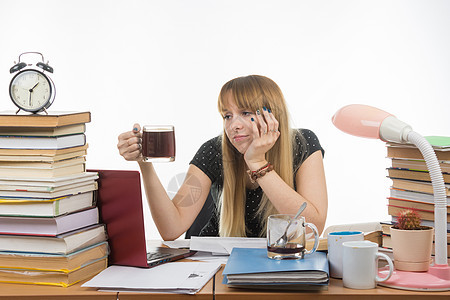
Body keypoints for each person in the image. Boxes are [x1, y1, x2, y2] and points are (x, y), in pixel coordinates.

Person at [117, 75, 328, 240]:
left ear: (271, 115)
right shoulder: (214, 151)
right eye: (227, 115)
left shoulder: (303, 143)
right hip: (217, 267)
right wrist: (144, 164)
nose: (233, 125)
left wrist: (257, 163)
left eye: (245, 113)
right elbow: (171, 228)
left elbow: (313, 228)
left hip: (278, 262)